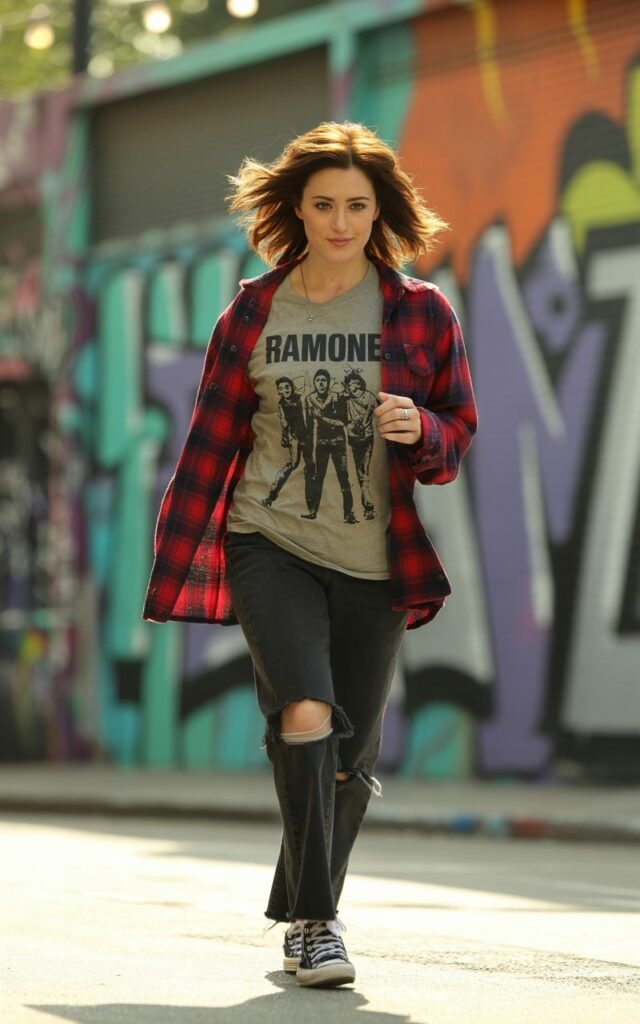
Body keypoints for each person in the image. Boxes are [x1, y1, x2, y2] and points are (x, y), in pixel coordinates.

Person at [142, 121, 478, 989]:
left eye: (356, 207)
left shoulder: (420, 312)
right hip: (270, 542)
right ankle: (318, 924)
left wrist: (422, 429)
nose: (339, 222)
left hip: (376, 559)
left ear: (379, 212)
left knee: (350, 761)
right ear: (296, 206)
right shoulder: (253, 311)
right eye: (323, 204)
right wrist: (174, 557)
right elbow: (209, 445)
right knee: (303, 712)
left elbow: (457, 431)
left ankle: (298, 908)